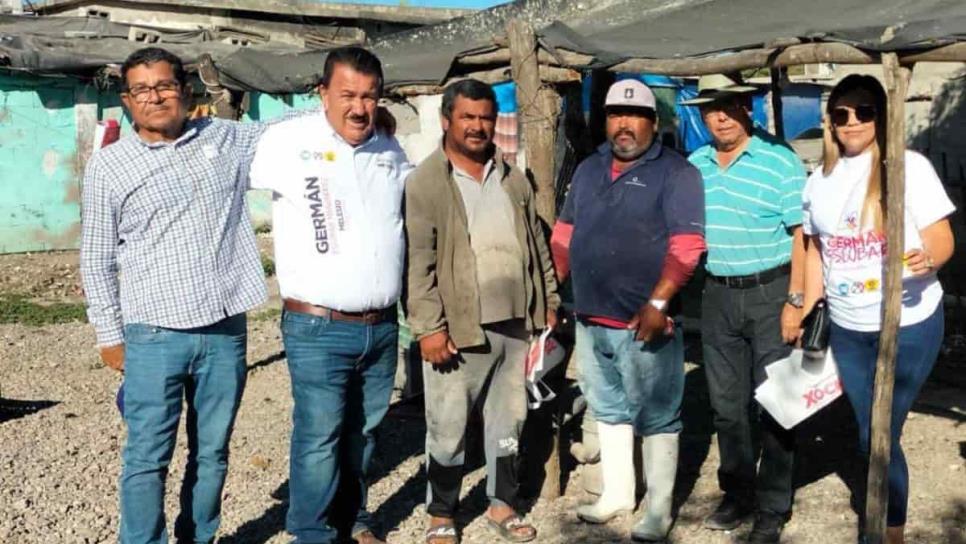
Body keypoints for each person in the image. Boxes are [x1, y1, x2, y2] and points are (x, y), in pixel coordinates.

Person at [80, 47, 266, 544]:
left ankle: (197, 538)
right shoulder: (110, 167)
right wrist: (109, 334)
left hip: (225, 329)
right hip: (153, 334)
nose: (154, 97)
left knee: (213, 451)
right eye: (141, 89)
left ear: (185, 92)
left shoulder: (226, 138)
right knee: (146, 456)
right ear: (127, 100)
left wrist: (353, 107)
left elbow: (292, 131)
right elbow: (96, 259)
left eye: (164, 85)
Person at [247, 46, 412, 544]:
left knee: (363, 434)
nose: (359, 108)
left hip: (381, 325)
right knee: (319, 436)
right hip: (317, 325)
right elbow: (223, 153)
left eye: (369, 96)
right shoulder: (285, 141)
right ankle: (311, 532)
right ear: (321, 93)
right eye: (346, 95)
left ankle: (353, 518)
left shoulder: (390, 149)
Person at [404, 78, 559, 544]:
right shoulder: (427, 182)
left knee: (509, 421)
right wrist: (429, 327)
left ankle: (502, 505)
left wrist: (548, 300)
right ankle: (442, 514)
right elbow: (418, 261)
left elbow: (538, 245)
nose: (477, 127)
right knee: (448, 426)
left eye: (485, 118)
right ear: (446, 120)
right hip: (458, 328)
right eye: (467, 117)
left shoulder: (511, 177)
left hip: (515, 324)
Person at [801, 74, 954, 544]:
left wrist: (932, 257)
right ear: (830, 121)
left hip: (908, 322)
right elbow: (814, 249)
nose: (852, 122)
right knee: (871, 432)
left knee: (878, 436)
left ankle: (887, 532)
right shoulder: (819, 180)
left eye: (864, 111)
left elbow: (941, 237)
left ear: (881, 116)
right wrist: (804, 306)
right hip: (848, 328)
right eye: (842, 113)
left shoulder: (908, 167)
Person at [551, 79, 706, 542]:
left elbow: (688, 245)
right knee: (608, 409)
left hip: (646, 322)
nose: (624, 124)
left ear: (652, 123)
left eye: (635, 115)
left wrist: (659, 302)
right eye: (616, 114)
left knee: (658, 416)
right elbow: (563, 234)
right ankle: (619, 493)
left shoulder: (676, 173)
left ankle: (658, 509)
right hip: (590, 317)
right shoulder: (589, 168)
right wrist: (555, 292)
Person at [680, 73, 807, 543]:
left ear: (746, 107)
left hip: (771, 291)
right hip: (717, 294)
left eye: (728, 105)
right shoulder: (695, 166)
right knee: (726, 406)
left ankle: (773, 505)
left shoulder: (780, 162)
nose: (719, 115)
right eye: (710, 108)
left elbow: (802, 237)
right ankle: (737, 492)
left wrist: (796, 300)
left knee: (774, 402)